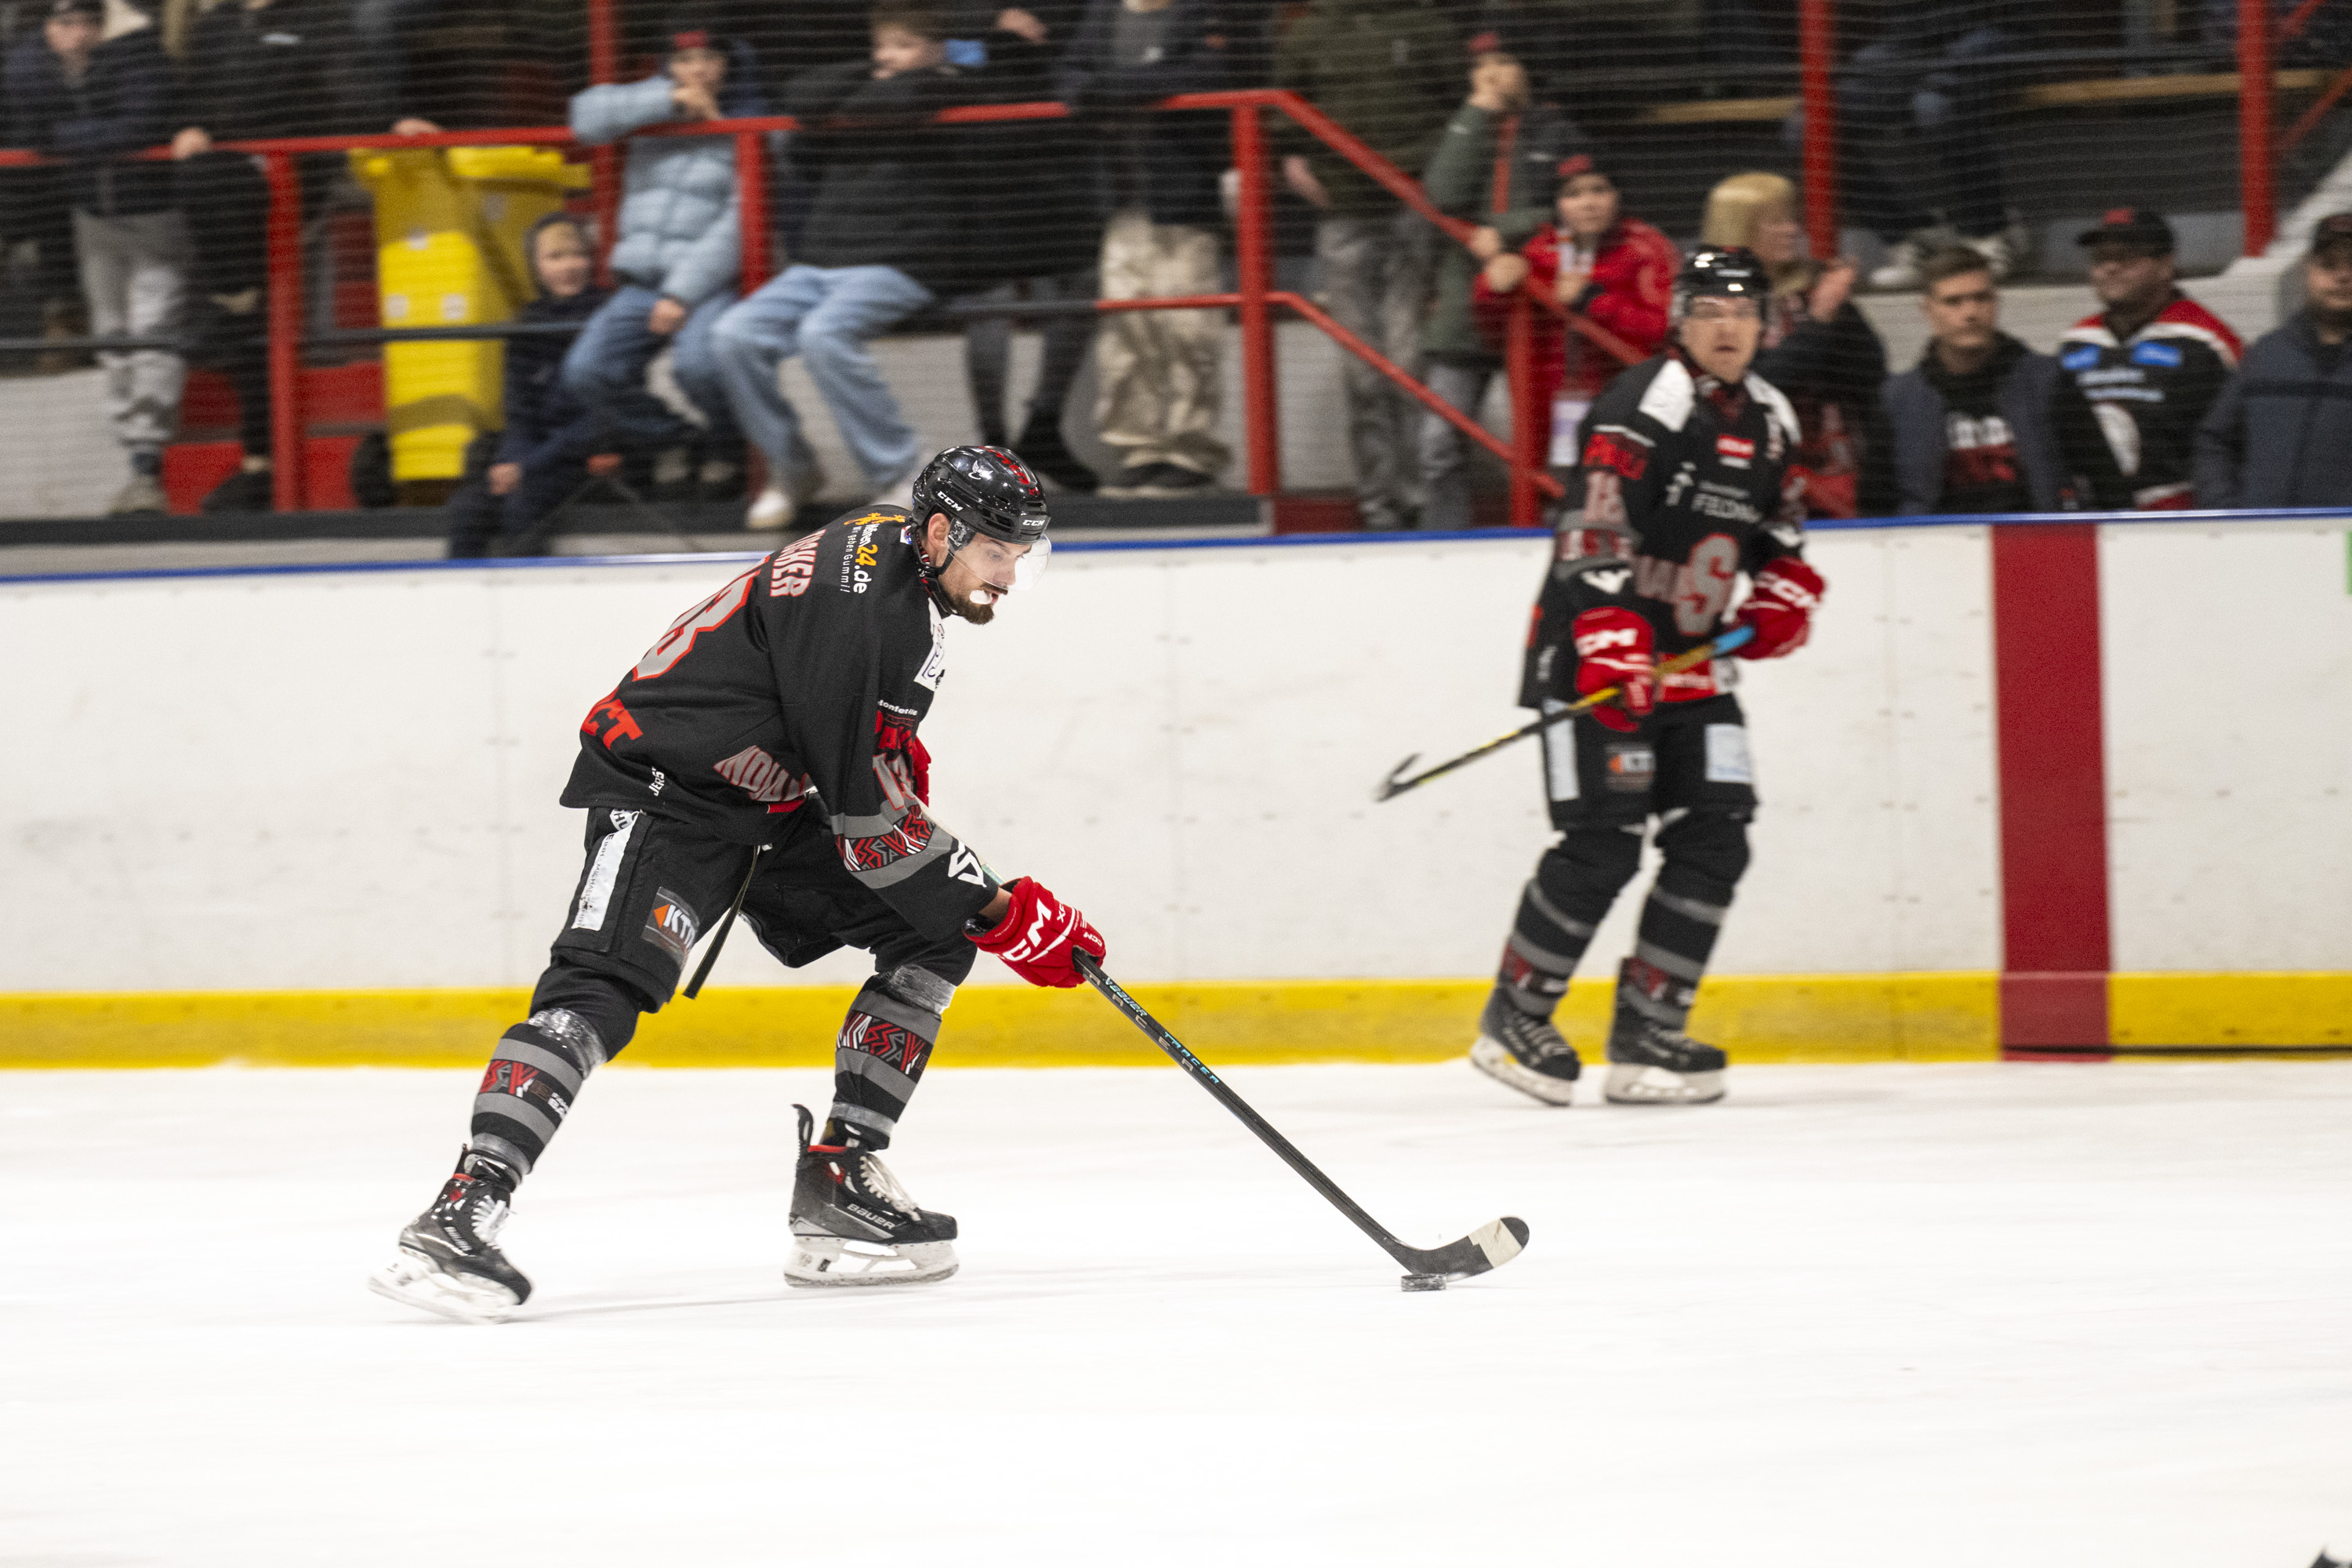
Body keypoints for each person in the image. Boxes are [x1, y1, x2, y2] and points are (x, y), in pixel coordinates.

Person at [372, 446, 1107, 1322]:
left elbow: (869, 781)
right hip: (666, 793)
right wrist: (1006, 911)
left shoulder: (894, 570)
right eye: (998, 554)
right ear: (944, 531)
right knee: (597, 991)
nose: (1008, 578)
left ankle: (841, 1176)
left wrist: (974, 906)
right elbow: (871, 824)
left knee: (931, 933)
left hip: (768, 805)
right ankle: (463, 1205)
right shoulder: (867, 608)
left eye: (1023, 559)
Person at [1469, 247, 1825, 1110]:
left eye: (1743, 308)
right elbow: (1593, 520)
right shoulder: (1647, 398)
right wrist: (1610, 630)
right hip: (1598, 658)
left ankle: (1648, 1030)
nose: (1727, 324)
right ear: (1680, 318)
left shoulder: (1773, 416)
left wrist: (1786, 586)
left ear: (1766, 321)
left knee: (1717, 833)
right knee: (1603, 840)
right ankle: (1514, 1017)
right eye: (1708, 308)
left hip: (1695, 666)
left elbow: (1783, 530)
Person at [716, 1, 978, 525]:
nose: (889, 57)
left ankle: (903, 469)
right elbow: (801, 98)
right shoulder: (866, 81)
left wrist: (871, 87)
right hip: (821, 262)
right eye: (882, 46)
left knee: (822, 335)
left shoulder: (949, 85)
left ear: (937, 50)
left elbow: (900, 103)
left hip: (901, 261)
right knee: (732, 335)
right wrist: (870, 71)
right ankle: (793, 468)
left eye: (904, 46)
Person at [1275, 0, 1462, 530]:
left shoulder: (1425, 23)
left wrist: (1436, 184)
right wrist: (1293, 166)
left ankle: (1421, 496)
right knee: (1362, 372)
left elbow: (1461, 110)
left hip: (1412, 208)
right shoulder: (1309, 32)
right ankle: (1379, 501)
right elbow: (1284, 114)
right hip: (1342, 210)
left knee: (1410, 362)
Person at [169, 0, 361, 514]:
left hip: (291, 184)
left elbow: (337, 97)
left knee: (246, 320)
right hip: (229, 195)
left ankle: (226, 300)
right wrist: (192, 125)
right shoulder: (215, 26)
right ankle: (261, 468)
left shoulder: (318, 18)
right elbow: (191, 99)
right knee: (251, 328)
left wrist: (395, 118)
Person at [561, 13, 756, 517]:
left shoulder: (747, 114)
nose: (696, 69)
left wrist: (682, 293)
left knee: (698, 364)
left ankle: (727, 446)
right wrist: (667, 100)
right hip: (640, 279)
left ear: (726, 64)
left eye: (708, 58)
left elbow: (740, 223)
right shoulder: (650, 102)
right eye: (684, 58)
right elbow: (584, 117)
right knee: (587, 370)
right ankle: (679, 439)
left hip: (710, 282)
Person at [5, 0, 183, 516]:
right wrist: (83, 131)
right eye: (64, 24)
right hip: (91, 218)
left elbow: (140, 125)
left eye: (87, 22)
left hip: (153, 214)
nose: (78, 34)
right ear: (48, 29)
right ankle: (133, 464)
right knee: (112, 336)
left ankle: (148, 466)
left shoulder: (137, 48)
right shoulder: (35, 64)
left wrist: (70, 137)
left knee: (154, 334)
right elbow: (32, 131)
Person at [1057, 0, 1232, 499]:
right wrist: (1106, 91)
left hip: (1181, 200)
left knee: (1187, 329)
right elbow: (1070, 75)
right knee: (1127, 330)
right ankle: (1141, 450)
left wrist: (1113, 89)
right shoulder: (1101, 15)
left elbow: (1209, 73)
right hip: (1120, 199)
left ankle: (1190, 454)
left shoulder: (1201, 12)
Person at [1414, 45, 1581, 531]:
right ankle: (1442, 541)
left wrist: (1505, 230)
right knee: (1438, 442)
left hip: (1539, 304)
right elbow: (1442, 194)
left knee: (1552, 438)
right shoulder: (1462, 127)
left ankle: (1555, 532)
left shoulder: (1557, 130)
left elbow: (1573, 206)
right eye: (1481, 65)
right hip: (1465, 305)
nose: (1492, 74)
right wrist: (1475, 112)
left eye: (1505, 61)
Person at [956, 2, 1102, 492]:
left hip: (1055, 190)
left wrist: (1039, 39)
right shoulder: (966, 53)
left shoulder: (1061, 54)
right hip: (980, 195)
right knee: (988, 300)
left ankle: (1042, 427)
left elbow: (1084, 49)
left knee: (1080, 286)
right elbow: (945, 35)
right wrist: (995, 30)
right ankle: (993, 446)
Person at [1470, 152, 1677, 477]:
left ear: (1618, 195)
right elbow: (1493, 335)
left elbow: (1666, 327)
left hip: (1630, 410)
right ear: (1557, 204)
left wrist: (1593, 301)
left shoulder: (1648, 247)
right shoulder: (1537, 252)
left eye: (1599, 190)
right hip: (1547, 416)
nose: (1588, 203)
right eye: (1573, 194)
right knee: (1555, 503)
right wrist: (1490, 288)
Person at [1703, 171, 1891, 517]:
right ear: (1739, 230)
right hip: (1758, 483)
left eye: (1791, 219)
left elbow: (1872, 370)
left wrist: (1842, 315)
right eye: (1775, 223)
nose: (1791, 230)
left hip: (1839, 470)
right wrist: (1819, 323)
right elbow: (1752, 385)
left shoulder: (1813, 289)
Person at [2053, 207, 2241, 512]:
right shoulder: (2074, 342)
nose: (2111, 268)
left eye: (2127, 258)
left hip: (2179, 525)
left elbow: (2235, 447)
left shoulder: (2208, 343)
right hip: (2091, 523)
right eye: (2101, 258)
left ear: (2166, 265)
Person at [444, 216, 610, 559]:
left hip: (583, 458)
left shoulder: (608, 317)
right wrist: (509, 464)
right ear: (535, 265)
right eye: (555, 257)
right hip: (533, 458)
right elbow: (520, 415)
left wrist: (527, 467)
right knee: (467, 508)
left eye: (578, 254)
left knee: (522, 502)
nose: (569, 266)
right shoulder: (526, 325)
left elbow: (598, 420)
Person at [1842, 1, 2035, 291]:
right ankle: (1912, 237)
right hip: (1906, 44)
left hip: (1991, 33)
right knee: (1808, 125)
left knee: (1935, 108)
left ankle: (1989, 234)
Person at [1882, 245, 2063, 514]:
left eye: (1981, 298)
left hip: (2037, 547)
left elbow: (2102, 478)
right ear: (1927, 310)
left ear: (1996, 302)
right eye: (1953, 301)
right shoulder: (1897, 400)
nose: (1970, 313)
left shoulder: (2049, 383)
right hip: (1932, 549)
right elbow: (1875, 503)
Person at [2194, 212, 2352, 509]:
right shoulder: (2265, 355)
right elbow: (2215, 442)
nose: (2342, 276)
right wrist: (2228, 511)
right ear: (2308, 268)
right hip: (2262, 547)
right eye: (2329, 263)